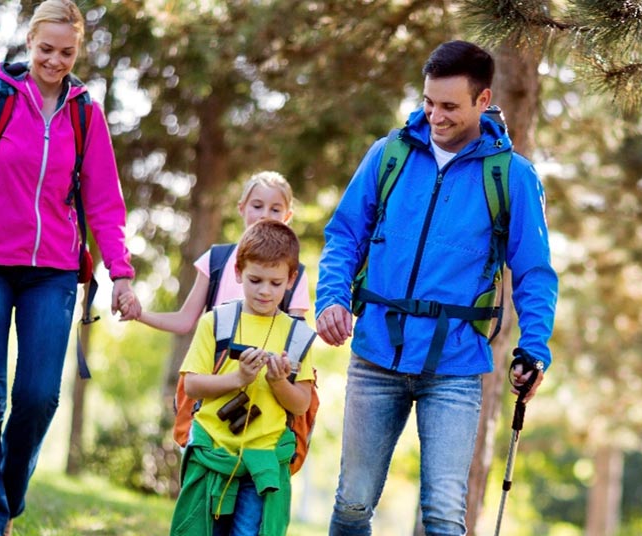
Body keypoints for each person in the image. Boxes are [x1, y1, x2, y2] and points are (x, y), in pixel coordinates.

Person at [315, 40, 558, 535]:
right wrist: (332, 298)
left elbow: (534, 273)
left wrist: (533, 348)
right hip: (376, 352)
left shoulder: (511, 176)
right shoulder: (390, 155)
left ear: (483, 101)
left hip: (455, 367)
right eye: (428, 102)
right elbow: (344, 235)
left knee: (445, 515)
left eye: (449, 106)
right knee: (354, 502)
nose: (434, 115)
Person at [0, 1, 141, 534]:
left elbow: (104, 201)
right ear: (29, 44)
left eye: (66, 52)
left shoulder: (84, 113)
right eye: (46, 49)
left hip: (52, 270)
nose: (55, 60)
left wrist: (121, 273)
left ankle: (3, 495)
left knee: (39, 395)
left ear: (77, 52)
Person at [169, 219, 316, 536]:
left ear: (291, 280)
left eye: (276, 283)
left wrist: (278, 383)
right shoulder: (216, 321)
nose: (265, 291)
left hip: (262, 463)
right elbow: (192, 384)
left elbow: (302, 404)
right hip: (213, 452)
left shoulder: (298, 336)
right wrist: (238, 378)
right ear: (238, 273)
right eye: (255, 280)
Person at [133, 171, 310, 331]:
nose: (265, 214)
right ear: (241, 208)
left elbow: (295, 334)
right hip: (215, 365)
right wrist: (138, 314)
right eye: (257, 206)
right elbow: (185, 320)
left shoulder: (295, 272)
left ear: (287, 217)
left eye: (275, 209)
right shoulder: (215, 260)